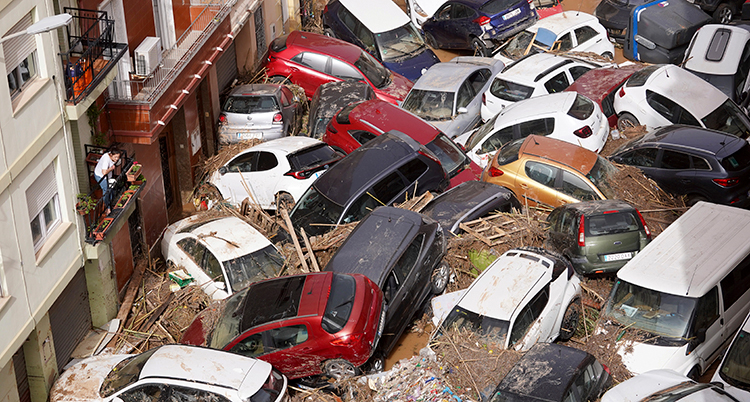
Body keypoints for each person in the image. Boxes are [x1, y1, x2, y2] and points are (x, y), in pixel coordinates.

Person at [94, 146, 122, 214]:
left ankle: (112, 203)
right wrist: (111, 169)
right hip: (100, 176)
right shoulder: (106, 159)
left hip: (108, 176)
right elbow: (104, 172)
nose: (117, 159)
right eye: (115, 157)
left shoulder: (112, 156)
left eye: (118, 157)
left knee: (111, 188)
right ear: (111, 155)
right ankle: (108, 208)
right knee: (106, 191)